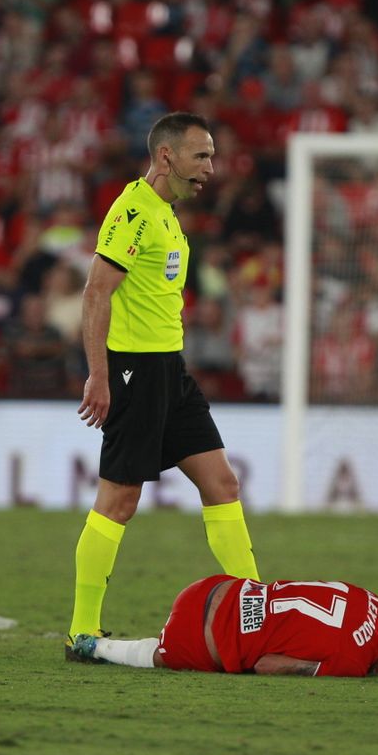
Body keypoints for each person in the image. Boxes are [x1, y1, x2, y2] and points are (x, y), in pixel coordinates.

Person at [70, 112, 261, 648]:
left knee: (221, 483)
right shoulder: (133, 211)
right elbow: (95, 293)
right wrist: (100, 377)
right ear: (166, 157)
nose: (210, 168)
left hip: (170, 370)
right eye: (201, 156)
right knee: (118, 501)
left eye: (213, 157)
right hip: (134, 371)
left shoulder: (167, 213)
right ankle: (81, 631)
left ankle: (255, 616)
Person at [67, 575, 378, 679]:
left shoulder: (372, 599)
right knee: (158, 656)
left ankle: (91, 641)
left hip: (211, 587)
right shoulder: (352, 664)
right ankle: (93, 647)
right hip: (198, 637)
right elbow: (266, 665)